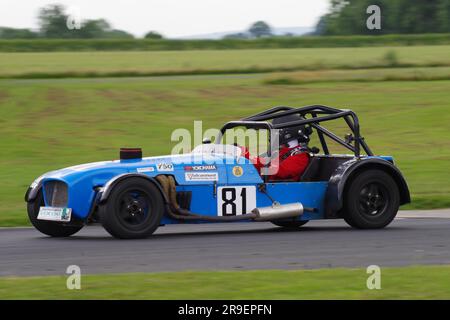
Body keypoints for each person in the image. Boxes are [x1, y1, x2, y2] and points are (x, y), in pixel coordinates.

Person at [241, 114, 311, 181]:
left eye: (275, 131)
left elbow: (277, 170)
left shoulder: (300, 156)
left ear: (287, 133)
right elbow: (264, 162)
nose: (272, 135)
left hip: (281, 190)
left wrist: (246, 155)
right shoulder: (282, 151)